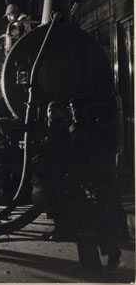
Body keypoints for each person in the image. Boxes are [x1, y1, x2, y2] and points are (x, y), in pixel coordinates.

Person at [68, 98, 123, 270]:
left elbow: (101, 157)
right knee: (86, 225)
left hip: (96, 183)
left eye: (78, 109)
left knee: (99, 223)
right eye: (72, 109)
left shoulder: (94, 132)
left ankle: (111, 253)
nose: (75, 112)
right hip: (82, 182)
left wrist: (94, 182)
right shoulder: (75, 131)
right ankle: (91, 262)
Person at [41, 100, 73, 241]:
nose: (51, 113)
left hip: (60, 170)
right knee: (53, 201)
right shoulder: (52, 126)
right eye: (49, 110)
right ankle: (59, 228)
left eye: (54, 110)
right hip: (52, 170)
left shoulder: (63, 126)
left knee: (61, 201)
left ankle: (64, 231)